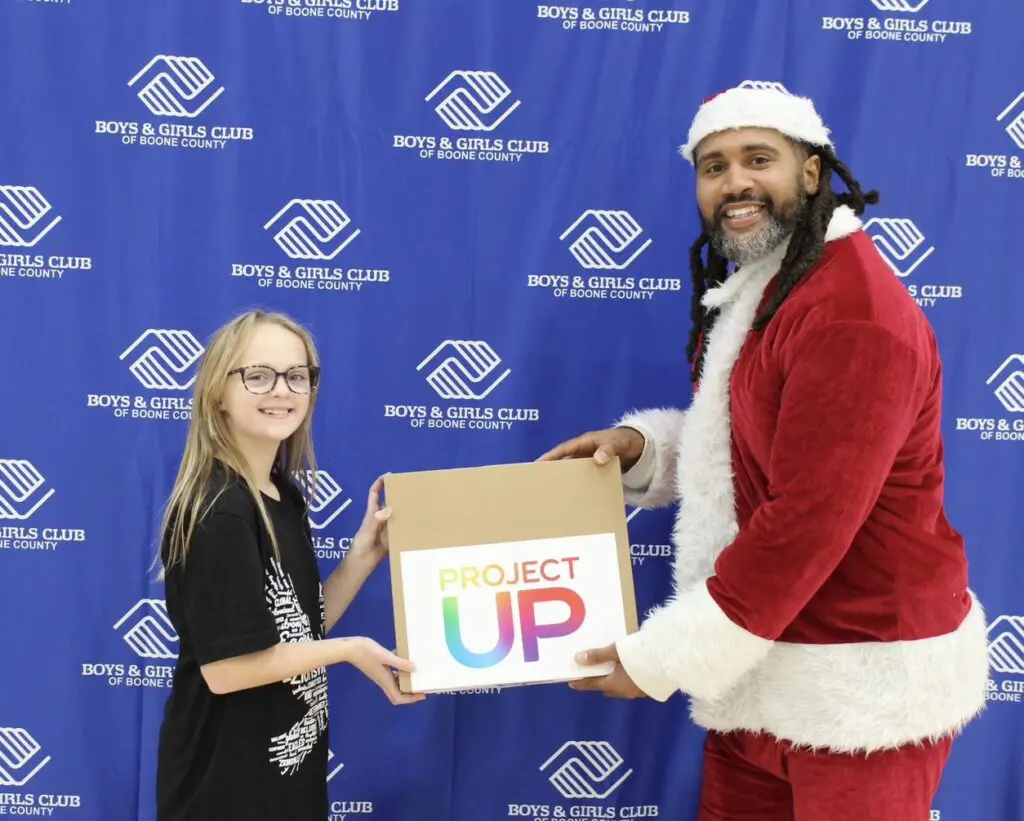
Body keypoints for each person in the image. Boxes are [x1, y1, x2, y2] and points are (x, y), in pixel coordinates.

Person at [540, 84, 991, 820]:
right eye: (714, 166)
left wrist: (660, 659)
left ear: (811, 173)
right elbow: (754, 443)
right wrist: (643, 450)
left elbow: (806, 521)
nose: (735, 182)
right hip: (762, 674)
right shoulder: (775, 284)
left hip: (857, 697)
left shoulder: (853, 312)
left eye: (759, 159)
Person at [154, 309, 423, 821]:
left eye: (296, 376)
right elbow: (227, 670)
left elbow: (299, 630)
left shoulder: (280, 495)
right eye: (258, 375)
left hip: (285, 787)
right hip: (224, 791)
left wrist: (366, 552)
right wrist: (351, 649)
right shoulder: (220, 508)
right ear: (218, 393)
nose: (282, 390)